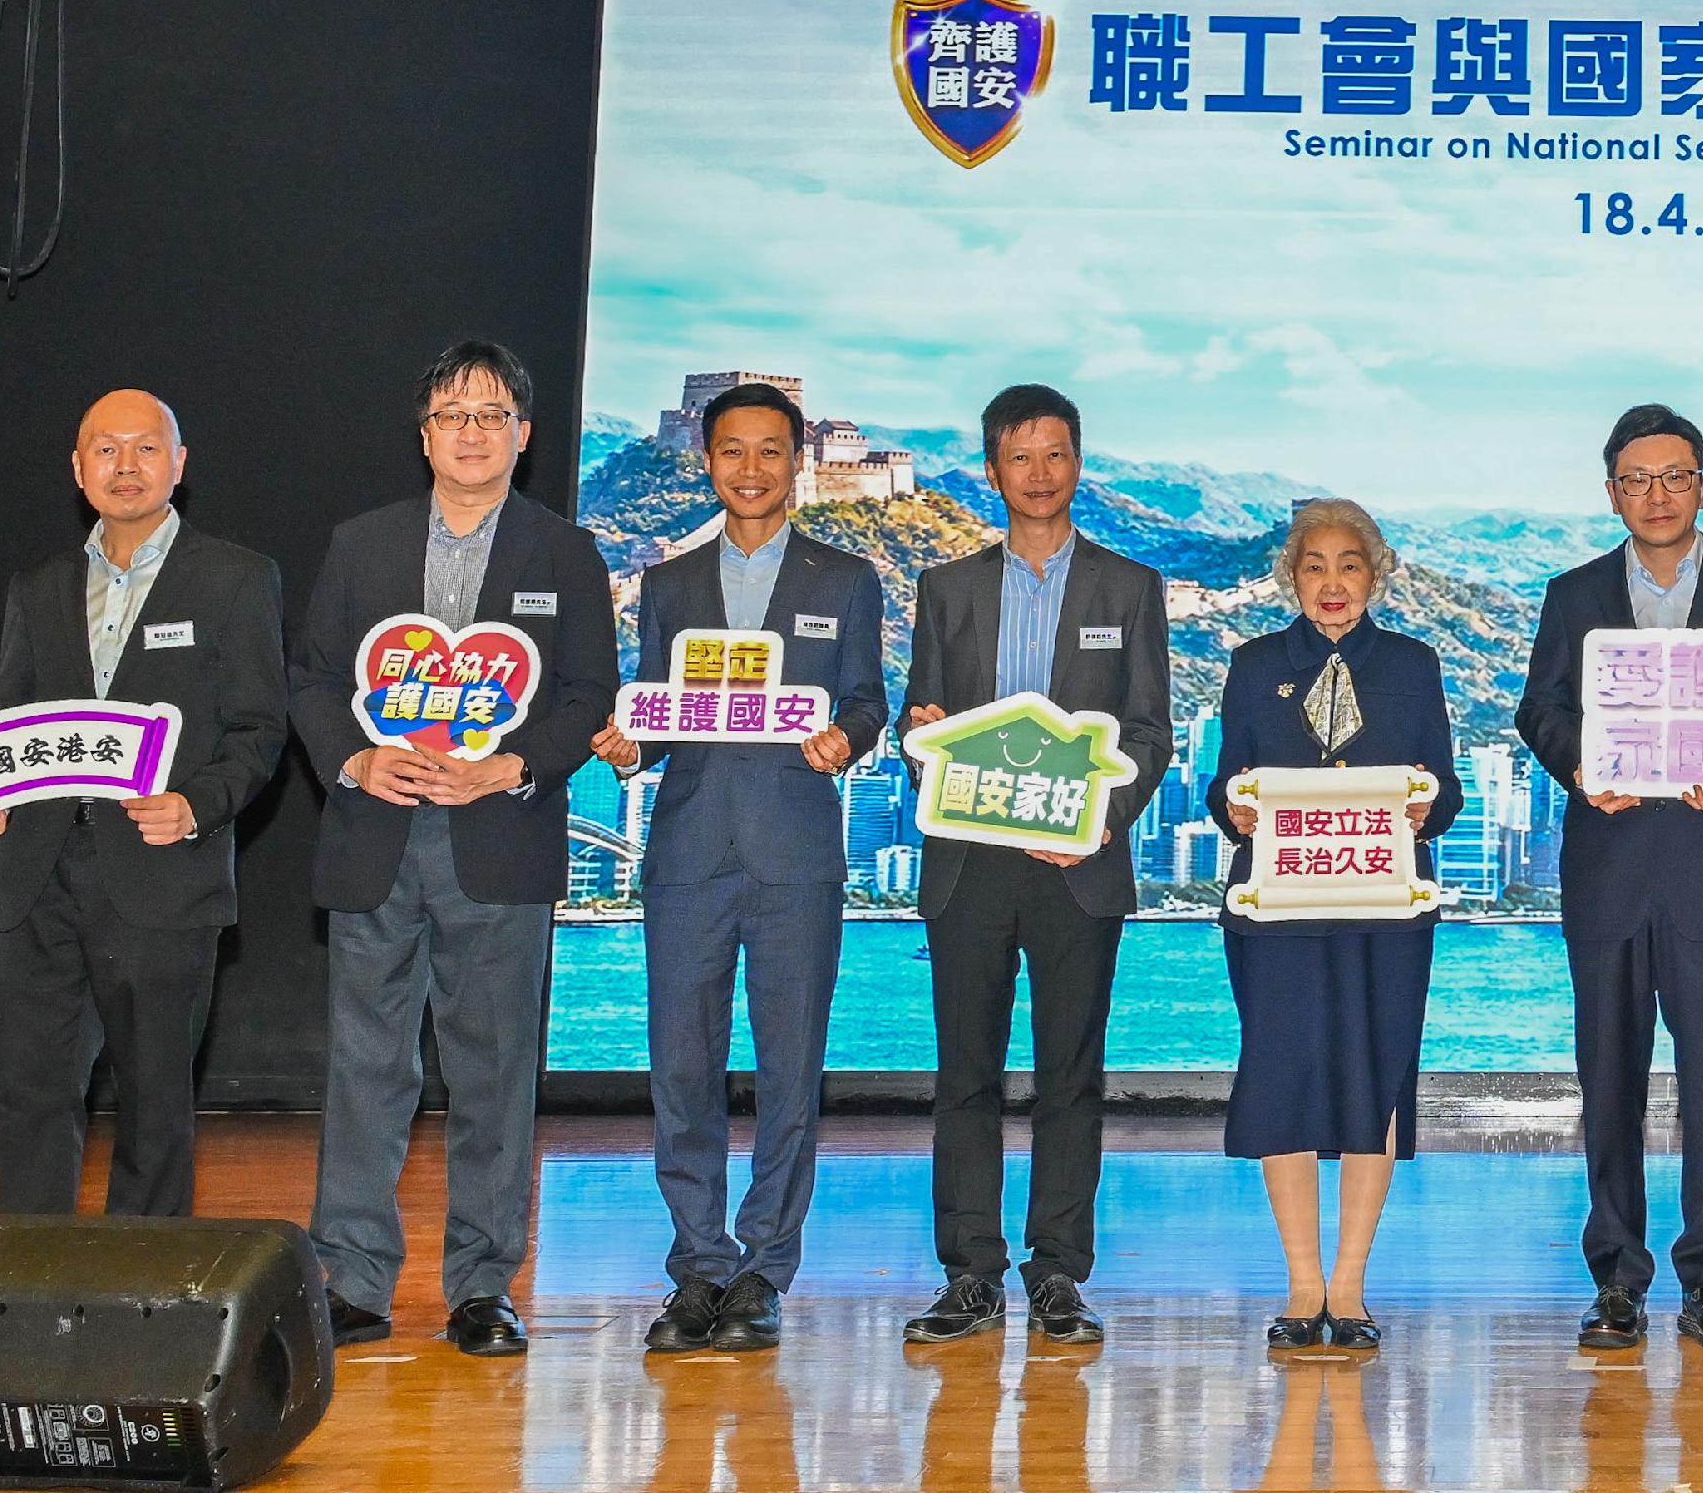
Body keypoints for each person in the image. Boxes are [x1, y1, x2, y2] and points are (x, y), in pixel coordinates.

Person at [288, 341, 618, 1357]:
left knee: (494, 1075)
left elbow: (588, 696)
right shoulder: (361, 544)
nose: (471, 432)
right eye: (451, 415)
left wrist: (508, 766)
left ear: (524, 434)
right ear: (423, 434)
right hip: (376, 835)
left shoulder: (566, 552)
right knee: (365, 1070)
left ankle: (482, 1286)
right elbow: (311, 679)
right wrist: (355, 760)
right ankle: (352, 1279)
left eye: (491, 415)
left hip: (499, 838)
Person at [588, 381, 889, 1355]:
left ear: (798, 461)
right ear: (706, 460)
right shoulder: (668, 584)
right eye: (732, 450)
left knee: (791, 1070)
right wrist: (632, 745)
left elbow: (868, 699)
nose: (750, 468)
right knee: (681, 1068)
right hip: (687, 853)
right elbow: (660, 711)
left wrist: (847, 737)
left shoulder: (847, 579)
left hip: (796, 855)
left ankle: (763, 1270)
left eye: (770, 450)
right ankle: (698, 1267)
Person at [1514, 404, 1703, 1352]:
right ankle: (1616, 1277)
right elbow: (1539, 708)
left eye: (1675, 475)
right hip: (1608, 866)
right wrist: (1580, 766)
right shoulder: (1572, 594)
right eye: (1637, 479)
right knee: (1607, 1079)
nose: (1657, 494)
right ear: (1612, 493)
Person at [0, 390, 288, 1220]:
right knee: (32, 1094)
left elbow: (259, 728)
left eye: (146, 447)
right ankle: (29, 1274)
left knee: (154, 1103)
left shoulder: (237, 577)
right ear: (78, 468)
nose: (125, 465)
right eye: (106, 449)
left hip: (163, 871)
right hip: (37, 876)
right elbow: (7, 720)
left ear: (179, 463)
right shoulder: (38, 586)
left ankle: (143, 1282)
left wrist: (197, 805)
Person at [898, 383, 1173, 1345]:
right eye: (1020, 456)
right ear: (992, 470)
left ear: (1078, 463)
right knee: (964, 1076)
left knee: (1072, 1076)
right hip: (968, 862)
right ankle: (969, 1273)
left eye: (1055, 454)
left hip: (1077, 862)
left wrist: (1100, 821)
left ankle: (1058, 1270)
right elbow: (918, 721)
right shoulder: (946, 587)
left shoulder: (1129, 587)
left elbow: (1149, 731)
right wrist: (924, 733)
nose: (1039, 473)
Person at [1207, 499, 1463, 1351]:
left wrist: (1427, 805)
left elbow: (1447, 791)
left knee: (1374, 1080)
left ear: (1376, 574)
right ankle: (1301, 1284)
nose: (1332, 581)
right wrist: (1235, 807)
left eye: (1349, 564)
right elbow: (1223, 783)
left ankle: (1349, 1287)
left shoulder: (1416, 665)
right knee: (1280, 1081)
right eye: (1313, 564)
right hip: (1276, 910)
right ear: (1291, 575)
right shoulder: (1251, 665)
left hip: (1384, 912)